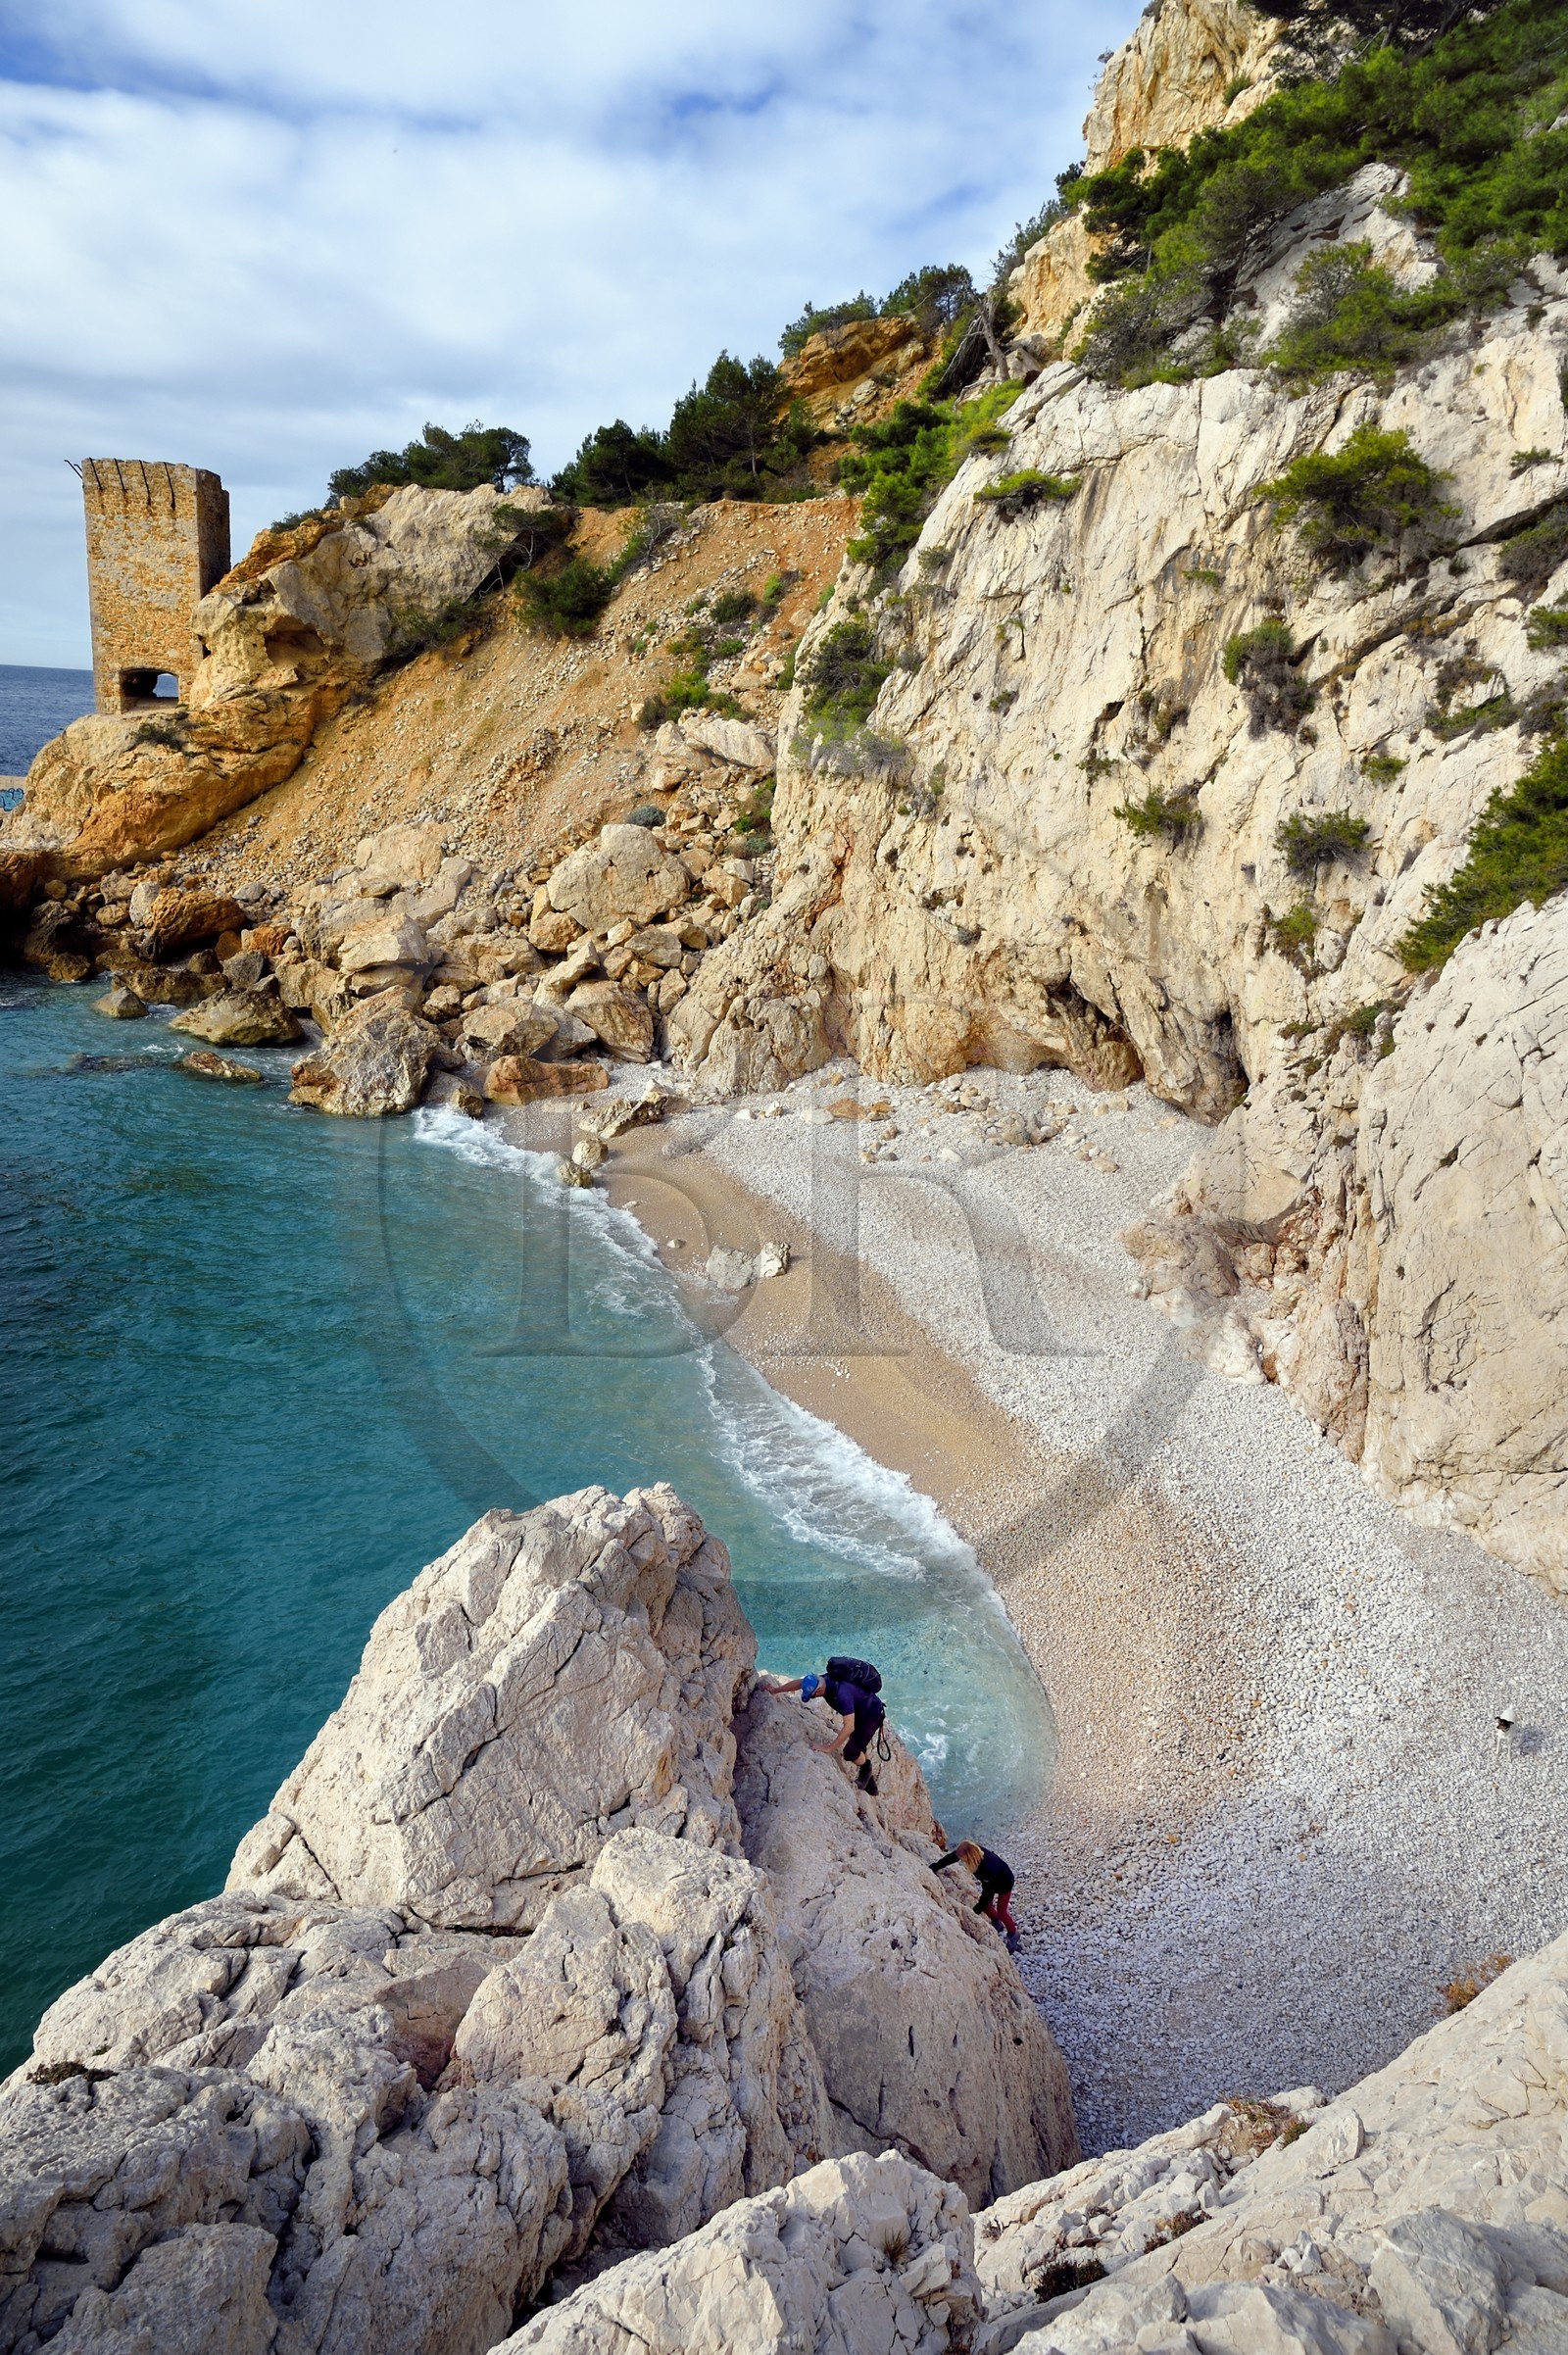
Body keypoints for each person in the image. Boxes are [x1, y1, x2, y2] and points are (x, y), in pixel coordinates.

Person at [757, 1660, 889, 1794]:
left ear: (819, 1690)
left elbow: (848, 1727)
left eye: (813, 1695)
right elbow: (800, 1683)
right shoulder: (822, 1680)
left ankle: (866, 1768)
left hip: (871, 1715)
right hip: (860, 1710)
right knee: (858, 1742)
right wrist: (775, 1690)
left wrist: (829, 1748)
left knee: (851, 1752)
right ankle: (871, 1785)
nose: (813, 1698)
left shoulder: (841, 1693)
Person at [933, 1840, 1020, 1951]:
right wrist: (936, 1866)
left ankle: (1013, 1934)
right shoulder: (971, 1850)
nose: (962, 1861)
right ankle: (997, 1923)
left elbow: (987, 1891)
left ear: (969, 1858)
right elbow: (952, 1857)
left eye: (963, 1860)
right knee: (987, 1907)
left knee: (1002, 1912)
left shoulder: (988, 1866)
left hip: (1004, 1882)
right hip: (990, 1881)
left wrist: (977, 1909)